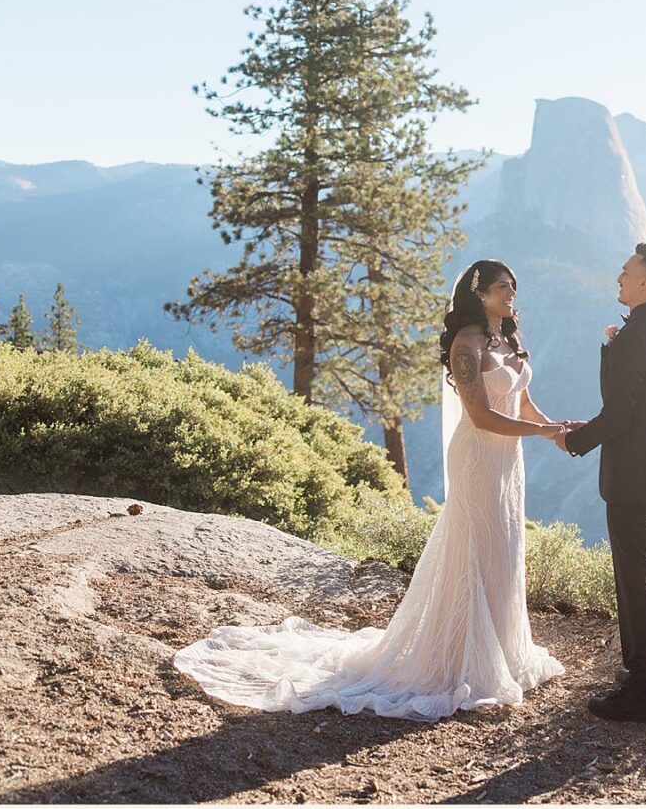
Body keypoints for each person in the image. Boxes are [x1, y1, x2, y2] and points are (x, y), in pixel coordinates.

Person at [172, 259, 567, 722]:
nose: (511, 294)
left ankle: (498, 647)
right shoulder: (467, 345)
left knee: (504, 549)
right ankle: (459, 656)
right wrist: (540, 433)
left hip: (508, 463)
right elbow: (479, 416)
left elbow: (522, 401)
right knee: (478, 549)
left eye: (513, 287)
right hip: (478, 459)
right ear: (480, 294)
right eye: (503, 287)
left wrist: (556, 428)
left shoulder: (509, 342)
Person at [558, 242, 646, 724]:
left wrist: (574, 441)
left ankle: (642, 689)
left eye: (626, 271)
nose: (619, 276)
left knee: (635, 578)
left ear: (645, 283)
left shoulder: (635, 337)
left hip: (634, 468)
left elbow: (619, 414)